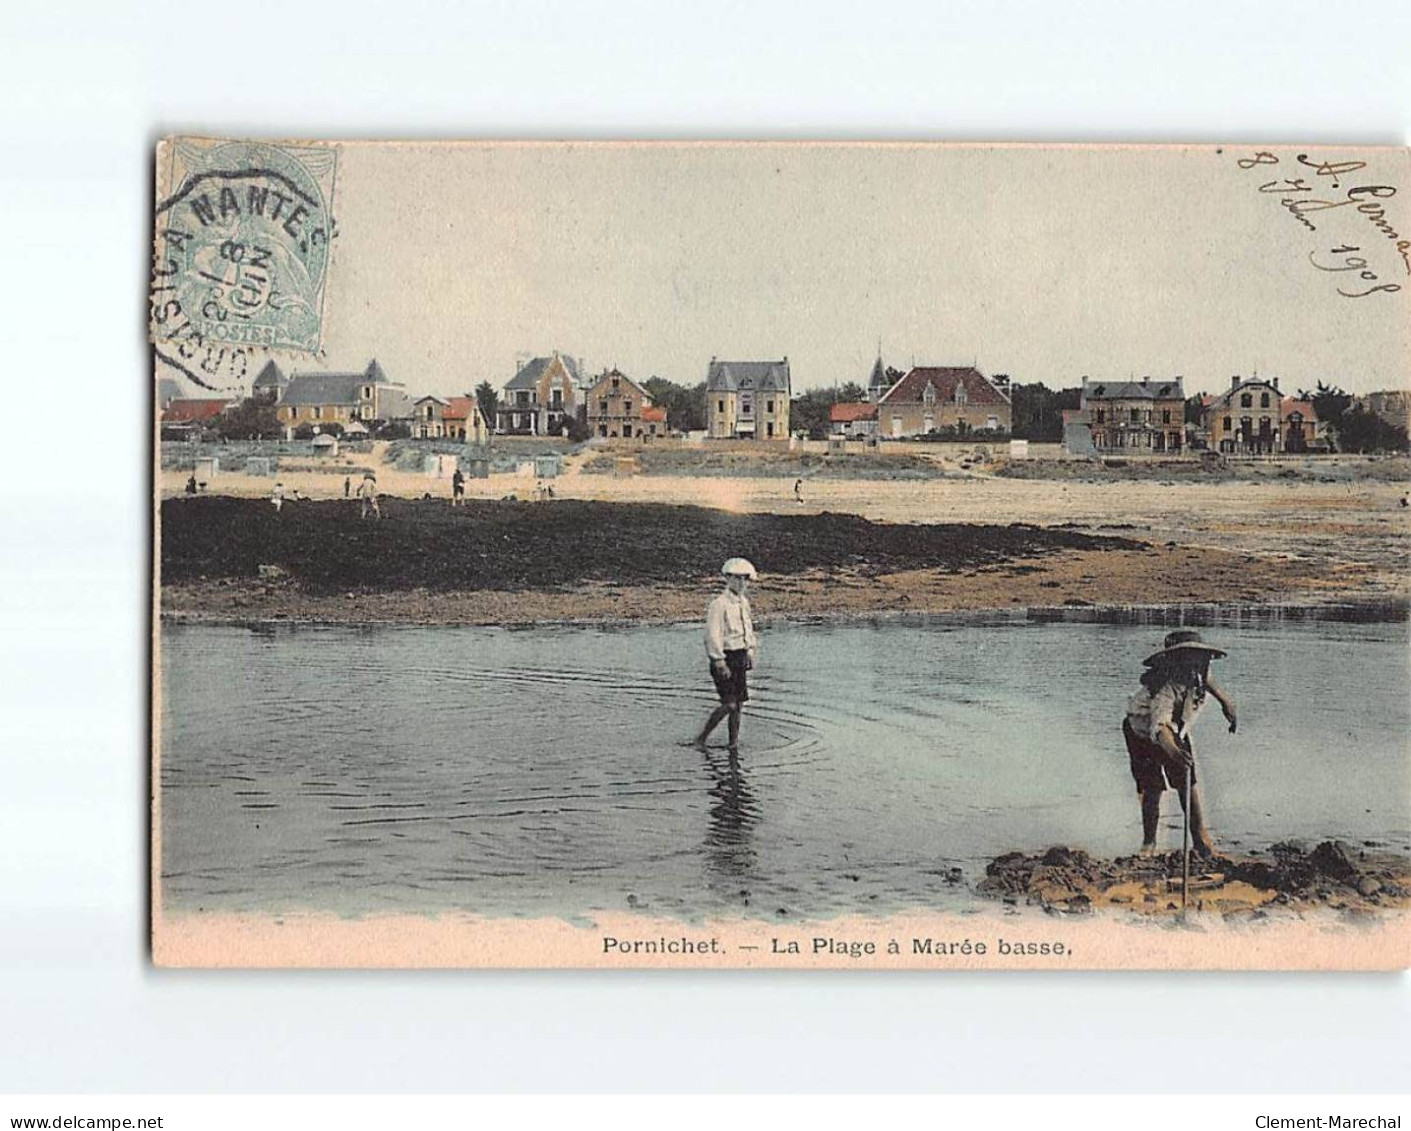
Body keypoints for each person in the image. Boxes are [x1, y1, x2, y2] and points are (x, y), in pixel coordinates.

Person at [1122, 629, 1237, 858]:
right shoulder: (1165, 688)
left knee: (1188, 782)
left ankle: (1200, 839)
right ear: (1174, 661)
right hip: (1143, 733)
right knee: (1152, 786)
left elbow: (1211, 683)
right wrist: (1173, 751)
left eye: (1199, 657)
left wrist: (1227, 705)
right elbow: (1160, 727)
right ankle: (1149, 843)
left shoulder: (1200, 672)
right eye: (1188, 658)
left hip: (1176, 728)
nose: (1195, 664)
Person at [694, 558, 759, 752]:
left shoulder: (743, 603)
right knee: (729, 704)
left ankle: (733, 744)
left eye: (744, 580)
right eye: (737, 579)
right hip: (724, 658)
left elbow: (748, 630)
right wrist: (719, 660)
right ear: (728, 578)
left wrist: (750, 651)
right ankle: (701, 738)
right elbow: (713, 634)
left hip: (740, 655)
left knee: (739, 705)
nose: (741, 583)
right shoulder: (719, 604)